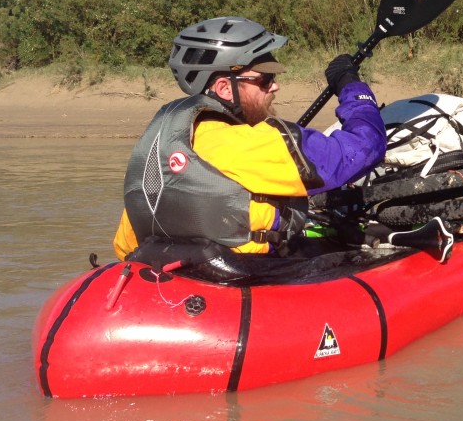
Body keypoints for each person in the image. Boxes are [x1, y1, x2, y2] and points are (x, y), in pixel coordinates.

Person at [113, 16, 386, 260]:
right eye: (265, 79)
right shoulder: (248, 142)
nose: (275, 86)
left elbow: (125, 246)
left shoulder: (159, 145)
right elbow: (364, 147)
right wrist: (350, 85)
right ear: (224, 88)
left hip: (174, 275)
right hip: (243, 280)